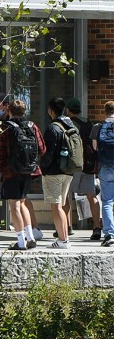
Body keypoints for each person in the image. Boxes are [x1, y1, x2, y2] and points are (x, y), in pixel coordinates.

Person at [0, 98, 46, 251]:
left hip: (11, 171)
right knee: (22, 202)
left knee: (14, 205)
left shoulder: (5, 128)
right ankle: (30, 237)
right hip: (28, 171)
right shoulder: (32, 126)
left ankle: (21, 241)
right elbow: (42, 149)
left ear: (8, 110)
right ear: (24, 111)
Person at [42, 97, 80, 249]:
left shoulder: (53, 128)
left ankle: (63, 240)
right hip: (68, 171)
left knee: (56, 206)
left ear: (51, 110)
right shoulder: (72, 125)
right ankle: (64, 238)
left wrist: (43, 168)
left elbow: (48, 153)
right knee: (62, 205)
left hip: (54, 172)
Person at [67, 98, 100, 241]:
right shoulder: (88, 122)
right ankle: (97, 227)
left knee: (66, 196)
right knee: (91, 196)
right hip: (88, 164)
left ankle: (66, 226)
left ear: (68, 110)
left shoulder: (68, 123)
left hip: (73, 165)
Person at [96, 100, 114, 248]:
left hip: (105, 167)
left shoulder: (98, 126)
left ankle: (109, 235)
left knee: (107, 202)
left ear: (105, 111)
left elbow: (95, 147)